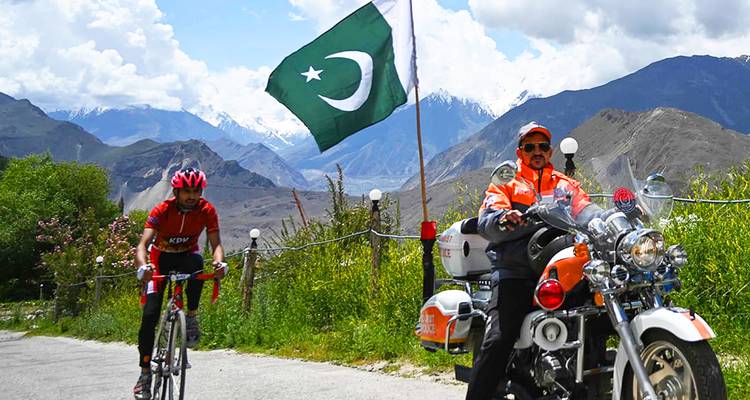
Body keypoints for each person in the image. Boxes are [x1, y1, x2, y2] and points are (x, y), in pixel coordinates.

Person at [465, 122, 600, 400]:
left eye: (542, 147)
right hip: (517, 270)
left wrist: (610, 219)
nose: (537, 151)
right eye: (530, 147)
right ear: (520, 152)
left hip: (563, 268)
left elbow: (587, 209)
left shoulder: (565, 185)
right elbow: (488, 219)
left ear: (550, 152)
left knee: (597, 317)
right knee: (500, 339)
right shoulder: (506, 184)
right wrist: (503, 219)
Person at [132, 167, 227, 400]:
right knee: (149, 317)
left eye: (196, 190)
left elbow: (216, 244)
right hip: (159, 259)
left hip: (186, 256)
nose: (191, 196)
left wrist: (220, 263)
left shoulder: (207, 210)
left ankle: (191, 317)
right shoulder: (162, 210)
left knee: (198, 265)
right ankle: (145, 374)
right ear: (176, 191)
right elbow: (143, 244)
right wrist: (143, 267)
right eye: (186, 191)